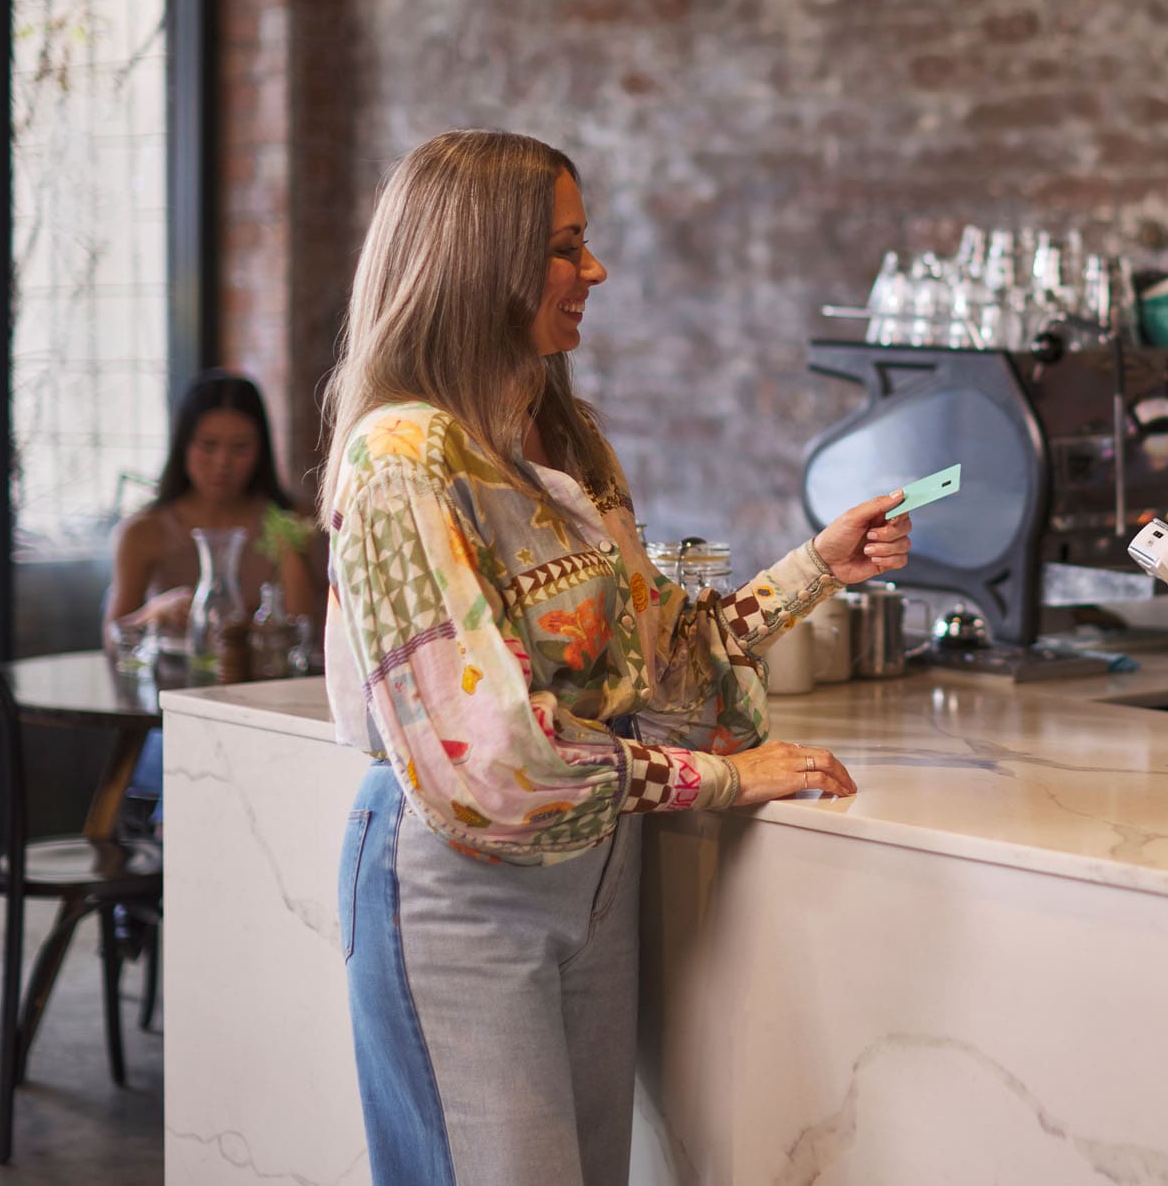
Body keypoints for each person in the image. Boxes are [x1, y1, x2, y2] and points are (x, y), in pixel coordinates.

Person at [322, 129, 910, 1186]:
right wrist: (721, 780)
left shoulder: (565, 440)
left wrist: (818, 567)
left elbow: (665, 670)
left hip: (597, 873)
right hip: (460, 887)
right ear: (482, 260)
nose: (592, 272)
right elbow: (490, 769)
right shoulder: (400, 458)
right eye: (564, 247)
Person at [103, 369, 318, 640]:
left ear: (261, 450)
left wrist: (289, 550)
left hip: (263, 680)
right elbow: (113, 637)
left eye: (240, 448)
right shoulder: (143, 531)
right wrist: (155, 612)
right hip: (172, 680)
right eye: (208, 445)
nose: (222, 463)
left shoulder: (287, 521)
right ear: (184, 445)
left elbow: (306, 631)